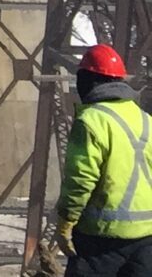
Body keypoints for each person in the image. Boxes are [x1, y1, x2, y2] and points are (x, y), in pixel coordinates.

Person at [60, 44, 151, 277]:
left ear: (88, 80)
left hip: (100, 241)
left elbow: (80, 179)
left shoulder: (90, 120)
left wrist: (66, 220)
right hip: (146, 238)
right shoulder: (145, 120)